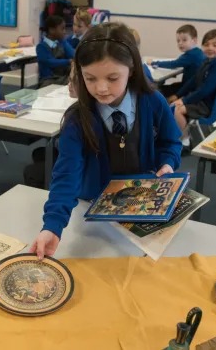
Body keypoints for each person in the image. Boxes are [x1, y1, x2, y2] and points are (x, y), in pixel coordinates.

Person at [30, 23, 182, 259]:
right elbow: (66, 175)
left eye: (112, 78)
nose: (101, 88)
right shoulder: (77, 120)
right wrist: (52, 226)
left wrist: (167, 163)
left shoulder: (153, 102)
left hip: (141, 206)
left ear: (131, 70)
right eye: (90, 78)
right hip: (94, 213)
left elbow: (170, 142)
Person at [171, 29, 216, 148]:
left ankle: (183, 140)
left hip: (207, 106)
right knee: (174, 104)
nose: (210, 48)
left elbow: (205, 90)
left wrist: (184, 101)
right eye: (207, 45)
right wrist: (178, 95)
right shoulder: (208, 61)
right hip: (204, 101)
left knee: (176, 110)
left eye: (215, 45)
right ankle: (182, 135)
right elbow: (193, 80)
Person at [149, 24, 205, 100]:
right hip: (193, 87)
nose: (180, 43)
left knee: (158, 90)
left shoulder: (190, 55)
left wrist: (154, 63)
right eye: (178, 41)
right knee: (170, 86)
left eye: (184, 40)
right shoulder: (198, 52)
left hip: (189, 90)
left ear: (194, 40)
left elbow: (173, 64)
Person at [36, 15, 75, 88]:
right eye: (62, 29)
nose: (65, 32)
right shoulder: (41, 47)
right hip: (49, 80)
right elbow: (50, 62)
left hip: (62, 77)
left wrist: (64, 41)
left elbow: (73, 54)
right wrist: (67, 61)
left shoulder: (61, 43)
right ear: (52, 30)